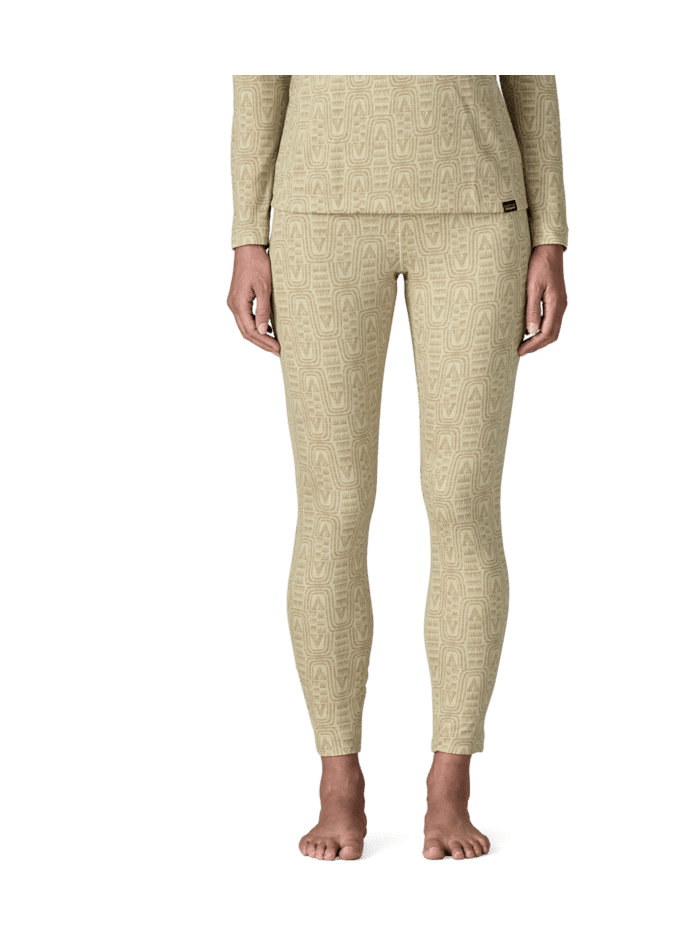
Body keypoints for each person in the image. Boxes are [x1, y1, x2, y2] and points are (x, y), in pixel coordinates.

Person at [226, 75, 569, 862]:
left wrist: (551, 234)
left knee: (463, 499)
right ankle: (337, 779)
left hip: (480, 213)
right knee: (333, 505)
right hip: (316, 213)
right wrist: (248, 233)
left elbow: (532, 75)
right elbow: (258, 75)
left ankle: (451, 781)